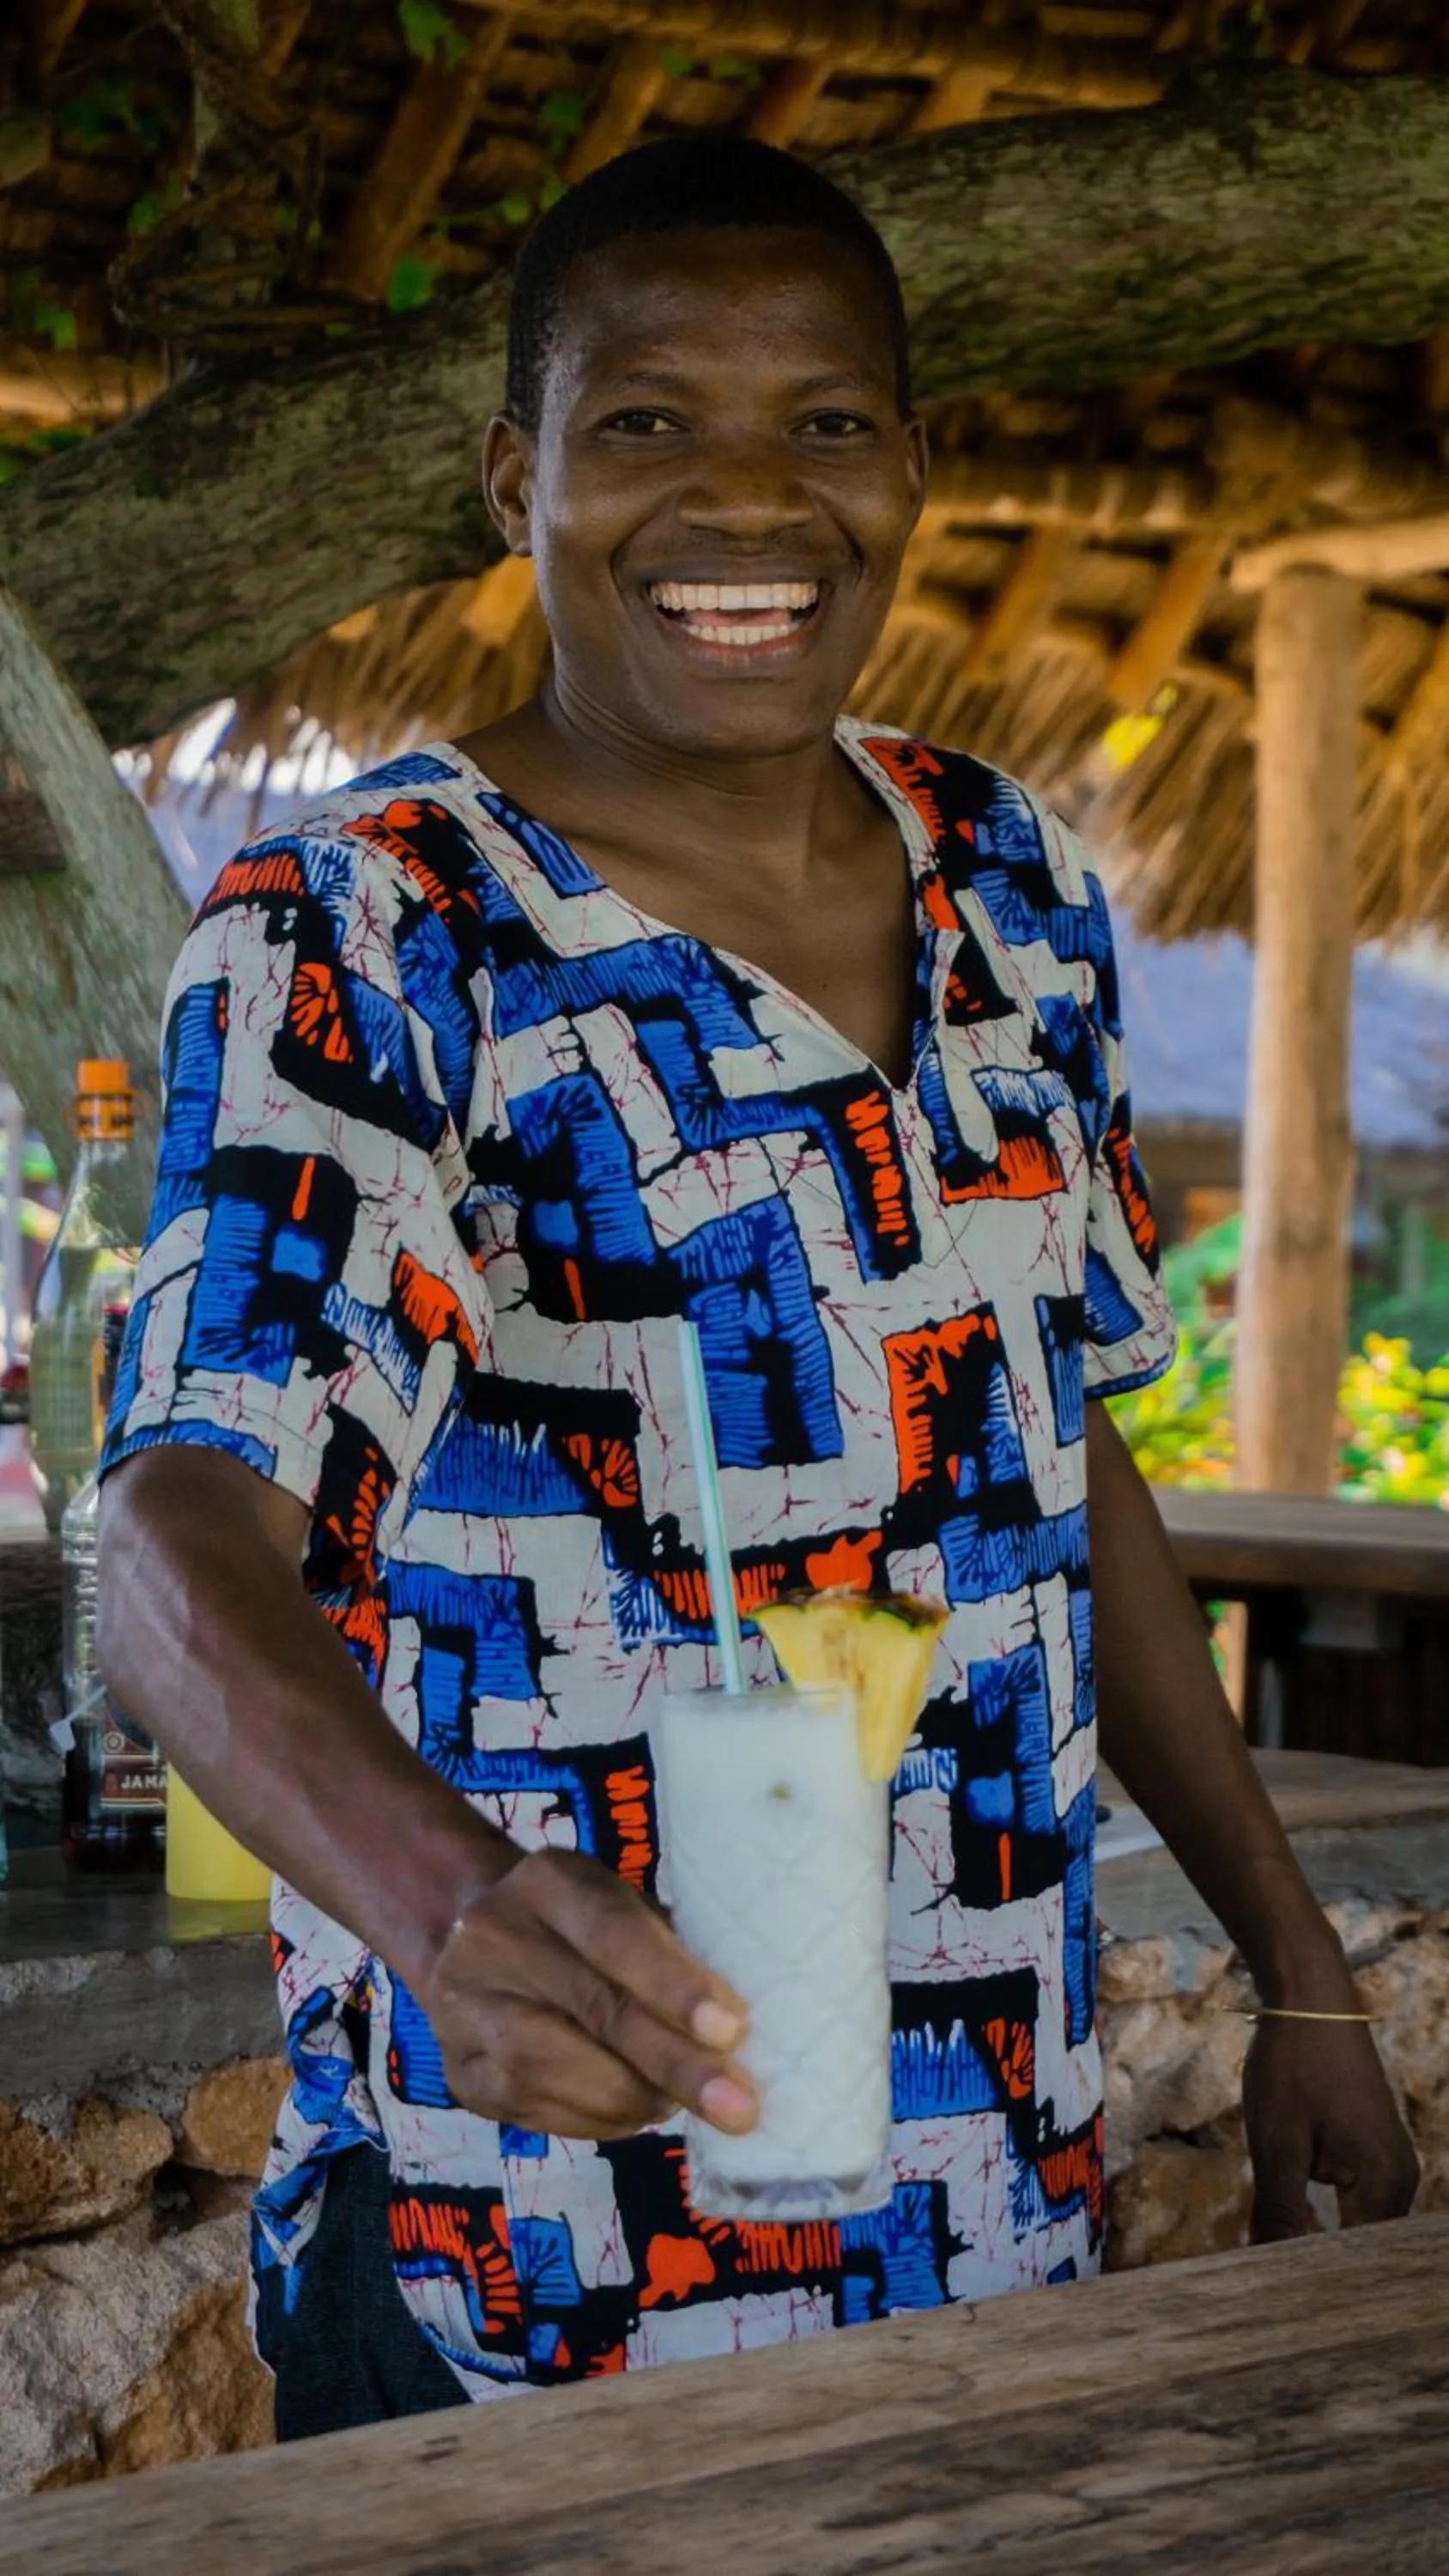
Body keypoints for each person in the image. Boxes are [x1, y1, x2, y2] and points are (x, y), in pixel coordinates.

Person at [97, 133, 1416, 2438]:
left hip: (991, 2190)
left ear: (910, 471)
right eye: (645, 421)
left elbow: (1050, 1443)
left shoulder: (1007, 881)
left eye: (822, 421)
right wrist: (445, 1903)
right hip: (537, 2247)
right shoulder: (372, 935)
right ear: (514, 478)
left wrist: (1297, 1962)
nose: (745, 498)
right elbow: (173, 1532)